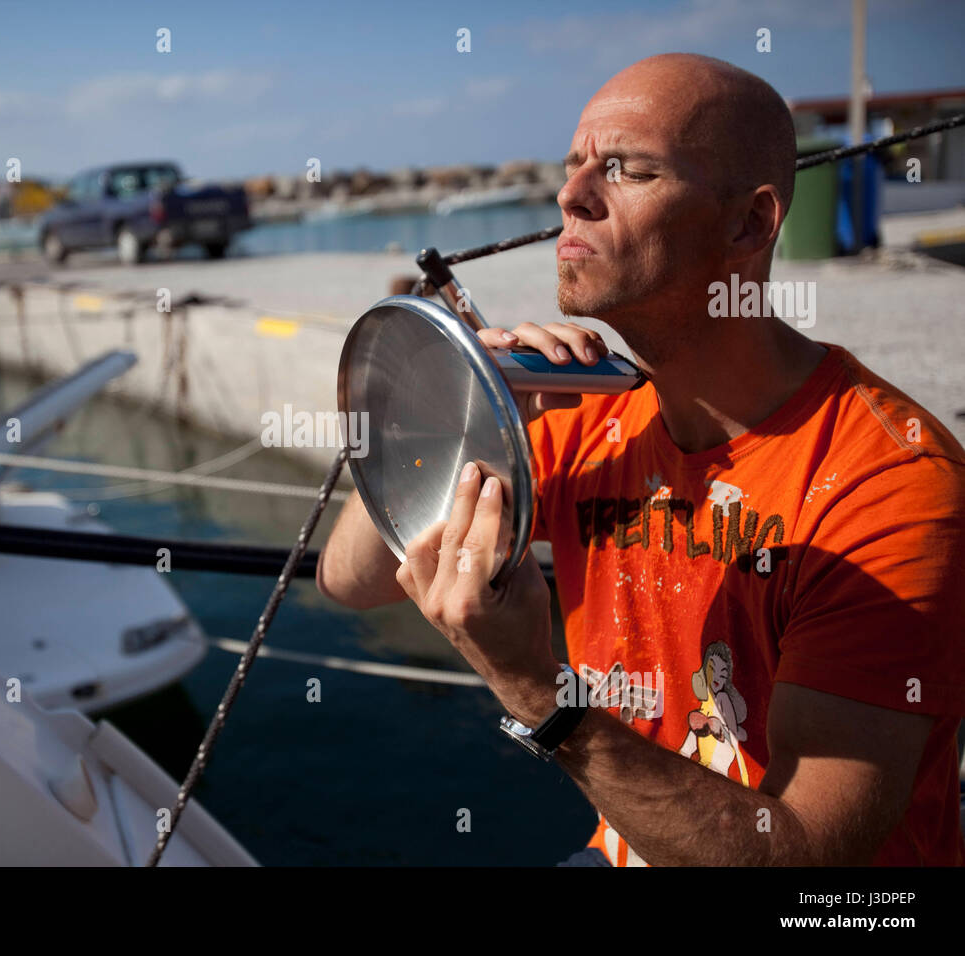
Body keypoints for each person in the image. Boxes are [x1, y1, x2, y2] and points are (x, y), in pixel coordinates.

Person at [316, 53, 965, 866]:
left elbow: (800, 855)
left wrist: (537, 691)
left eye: (625, 169)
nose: (571, 196)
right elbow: (351, 579)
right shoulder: (586, 411)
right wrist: (457, 410)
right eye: (573, 165)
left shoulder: (890, 486)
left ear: (750, 224)